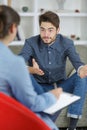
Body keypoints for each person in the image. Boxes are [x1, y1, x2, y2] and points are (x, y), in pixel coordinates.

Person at [19, 11, 87, 130]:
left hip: (60, 87)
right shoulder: (30, 42)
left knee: (81, 76)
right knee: (23, 75)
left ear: (57, 29)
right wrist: (31, 70)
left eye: (50, 30)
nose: (46, 34)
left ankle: (72, 127)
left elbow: (77, 62)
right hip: (39, 88)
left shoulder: (67, 43)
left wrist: (81, 69)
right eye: (42, 29)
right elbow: (17, 63)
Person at [0, 5, 64, 130]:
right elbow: (32, 104)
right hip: (14, 120)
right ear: (13, 29)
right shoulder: (14, 63)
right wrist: (52, 96)